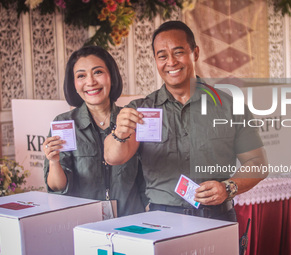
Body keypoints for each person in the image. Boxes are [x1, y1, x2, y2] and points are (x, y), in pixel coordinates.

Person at [104, 21, 268, 222]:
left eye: (178, 52)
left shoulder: (230, 106)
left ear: (195, 53)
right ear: (156, 60)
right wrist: (119, 133)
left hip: (218, 218)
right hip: (162, 220)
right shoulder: (141, 110)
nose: (171, 62)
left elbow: (257, 162)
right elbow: (113, 157)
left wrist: (228, 187)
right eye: (162, 56)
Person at [43, 45, 146, 217]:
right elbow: (57, 187)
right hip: (85, 223)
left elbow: (147, 176)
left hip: (132, 222)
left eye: (98, 72)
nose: (90, 82)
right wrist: (54, 162)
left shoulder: (130, 119)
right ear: (74, 84)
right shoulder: (64, 123)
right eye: (81, 76)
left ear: (111, 76)